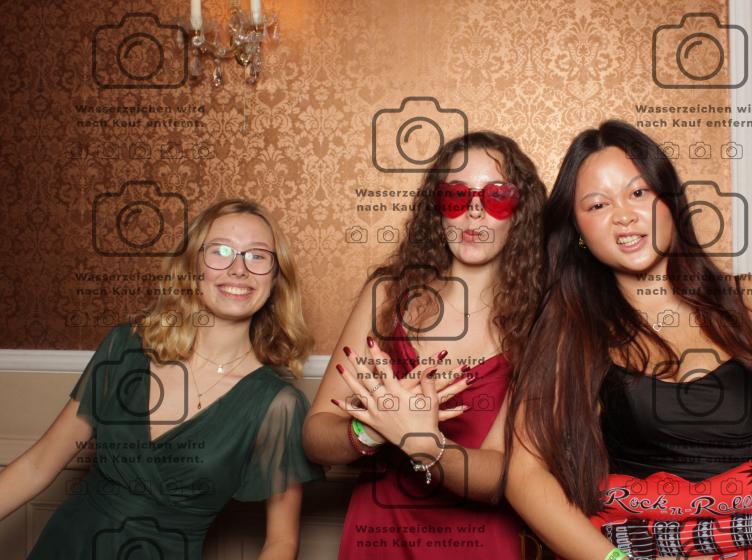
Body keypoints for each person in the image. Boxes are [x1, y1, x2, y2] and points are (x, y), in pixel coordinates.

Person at [504, 120, 752, 560]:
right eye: (598, 204)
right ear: (578, 232)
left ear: (669, 200)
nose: (624, 215)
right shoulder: (571, 328)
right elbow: (524, 475)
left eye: (638, 192)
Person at [0, 199, 323, 559]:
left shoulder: (278, 405)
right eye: (220, 251)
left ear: (275, 277)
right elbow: (37, 466)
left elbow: (281, 541)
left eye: (257, 256)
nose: (238, 269)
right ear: (191, 266)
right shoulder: (125, 347)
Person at [303, 131, 548, 559]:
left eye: (496, 197)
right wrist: (371, 428)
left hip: (479, 545)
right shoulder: (386, 296)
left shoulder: (540, 320)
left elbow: (501, 477)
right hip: (378, 536)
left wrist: (422, 440)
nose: (474, 212)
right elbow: (315, 435)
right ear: (437, 208)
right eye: (456, 196)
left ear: (520, 211)